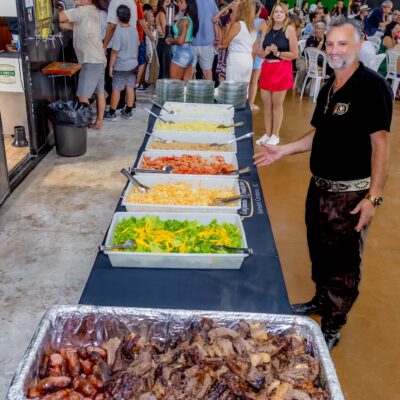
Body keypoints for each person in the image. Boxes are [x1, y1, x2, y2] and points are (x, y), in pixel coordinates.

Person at [254, 17, 393, 350]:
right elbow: (318, 133)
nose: (334, 50)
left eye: (342, 43)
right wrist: (283, 150)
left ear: (359, 44)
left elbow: (381, 147)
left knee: (345, 265)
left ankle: (333, 324)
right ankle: (320, 299)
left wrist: (373, 200)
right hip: (319, 188)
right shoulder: (331, 84)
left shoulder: (372, 87)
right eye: (330, 44)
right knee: (319, 251)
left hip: (351, 196)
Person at [59, 0, 107, 129]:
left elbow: (58, 17)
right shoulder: (94, 11)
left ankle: (85, 124)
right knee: (100, 93)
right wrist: (59, 24)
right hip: (99, 59)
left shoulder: (81, 11)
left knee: (82, 96)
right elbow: (73, 26)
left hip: (90, 60)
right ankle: (99, 122)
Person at [256, 2, 298, 146]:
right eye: (276, 11)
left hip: (281, 69)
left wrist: (278, 53)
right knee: (267, 105)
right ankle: (268, 134)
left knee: (276, 105)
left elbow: (294, 54)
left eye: (281, 12)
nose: (278, 14)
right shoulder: (267, 28)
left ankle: (275, 135)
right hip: (267, 68)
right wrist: (266, 52)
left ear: (286, 15)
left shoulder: (289, 30)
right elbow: (259, 52)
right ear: (272, 14)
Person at [104, 5, 138, 120]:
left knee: (116, 89)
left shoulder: (119, 32)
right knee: (130, 87)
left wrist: (110, 67)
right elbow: (136, 48)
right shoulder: (134, 30)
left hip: (121, 66)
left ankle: (111, 113)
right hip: (133, 65)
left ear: (118, 17)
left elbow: (114, 52)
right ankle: (128, 112)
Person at [222, 0, 257, 84]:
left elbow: (224, 44)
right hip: (248, 59)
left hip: (236, 58)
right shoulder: (253, 27)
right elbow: (255, 50)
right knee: (244, 87)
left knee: (232, 86)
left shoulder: (237, 25)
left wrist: (228, 26)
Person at [165, 0, 199, 81]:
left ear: (188, 4)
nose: (178, 4)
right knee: (185, 85)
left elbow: (180, 41)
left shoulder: (184, 20)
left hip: (181, 53)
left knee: (175, 84)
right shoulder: (191, 19)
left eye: (181, 2)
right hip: (190, 51)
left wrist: (170, 40)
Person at [191, 0, 218, 81]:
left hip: (191, 40)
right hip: (207, 41)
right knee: (207, 72)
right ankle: (209, 89)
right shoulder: (211, 1)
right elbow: (215, 20)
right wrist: (217, 38)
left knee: (189, 71)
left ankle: (187, 89)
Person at [249, 0, 267, 111]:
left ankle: (243, 103)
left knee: (245, 80)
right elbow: (262, 42)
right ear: (259, 10)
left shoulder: (245, 21)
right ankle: (250, 104)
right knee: (254, 81)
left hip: (246, 53)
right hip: (257, 53)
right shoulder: (262, 23)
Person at [155, 0, 173, 79]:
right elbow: (165, 29)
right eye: (167, 2)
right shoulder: (162, 14)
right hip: (164, 43)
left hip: (161, 42)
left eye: (170, 2)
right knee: (166, 70)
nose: (169, 3)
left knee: (163, 70)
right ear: (162, 3)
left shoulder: (164, 13)